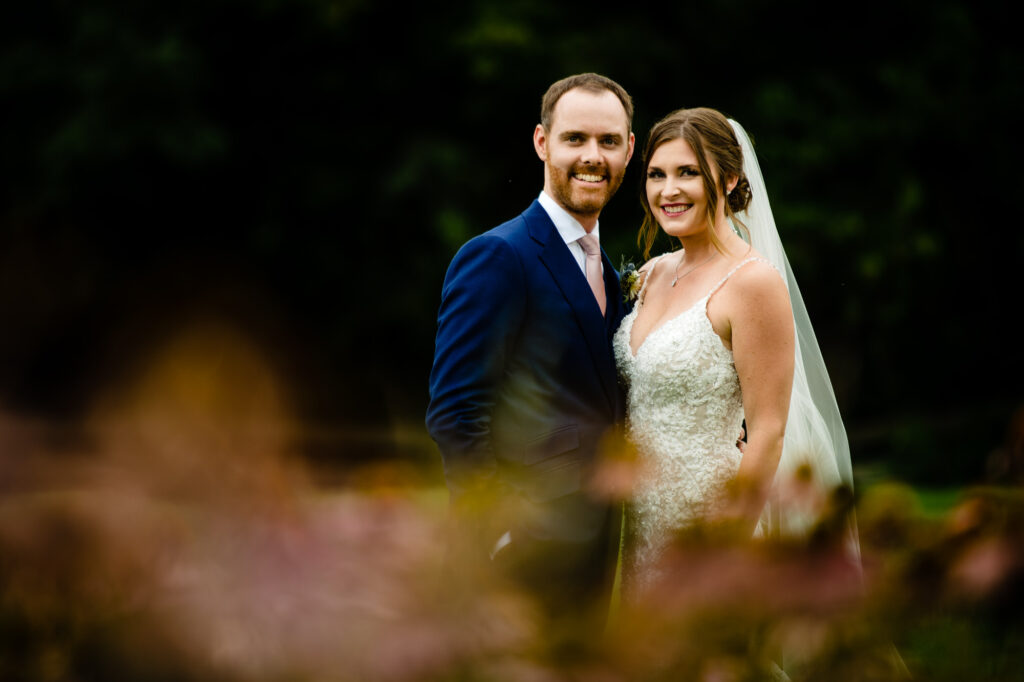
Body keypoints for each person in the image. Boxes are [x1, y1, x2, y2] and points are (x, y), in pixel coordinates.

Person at [611, 107, 858, 596]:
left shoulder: (753, 283)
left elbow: (768, 430)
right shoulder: (653, 273)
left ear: (727, 180)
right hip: (639, 521)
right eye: (657, 175)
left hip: (711, 517)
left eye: (688, 173)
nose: (668, 190)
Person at [425, 73, 636, 622]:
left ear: (629, 150)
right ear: (543, 142)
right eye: (576, 139)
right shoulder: (498, 256)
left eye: (609, 141)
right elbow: (455, 411)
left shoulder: (611, 275)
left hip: (592, 551)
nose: (593, 156)